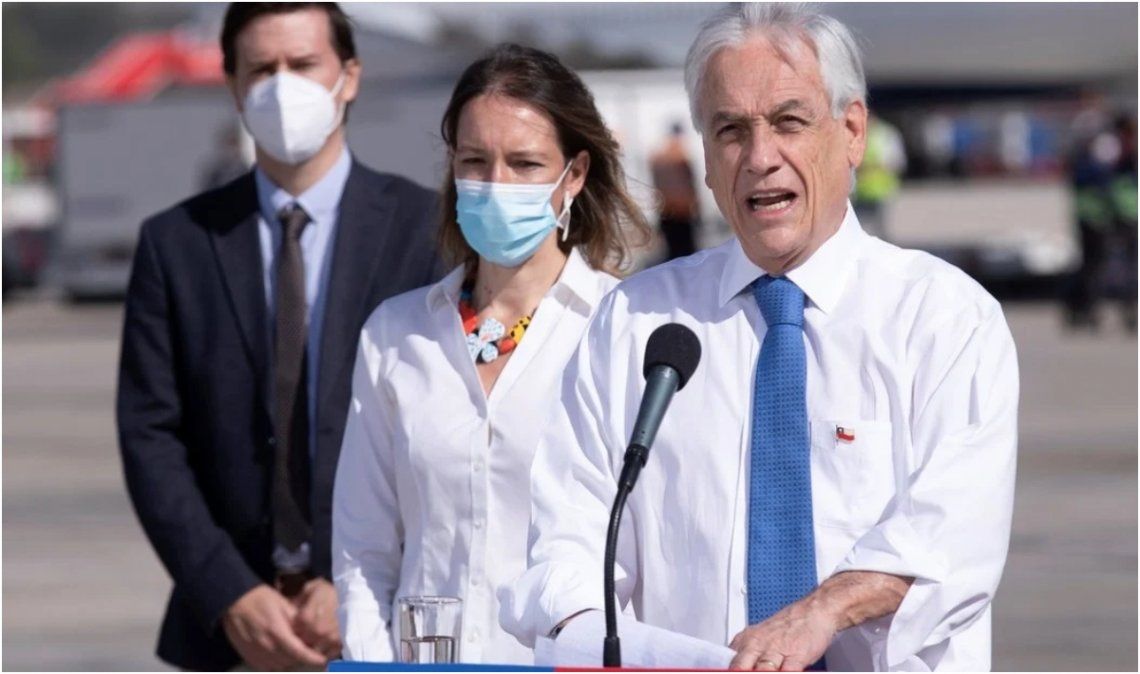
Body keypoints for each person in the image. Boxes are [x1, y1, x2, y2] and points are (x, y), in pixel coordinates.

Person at [500, 4, 1018, 671]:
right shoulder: (636, 324)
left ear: (852, 132)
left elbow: (953, 533)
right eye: (731, 131)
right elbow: (568, 541)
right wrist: (592, 630)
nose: (760, 158)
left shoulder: (945, 319)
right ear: (706, 157)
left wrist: (821, 612)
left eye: (789, 122)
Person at [116, 3, 442, 670]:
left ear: (349, 76)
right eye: (262, 69)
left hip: (384, 617)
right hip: (228, 633)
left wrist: (356, 576)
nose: (283, 85)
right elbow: (150, 434)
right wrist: (226, 590)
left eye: (303, 63)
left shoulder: (427, 230)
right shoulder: (177, 243)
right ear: (234, 86)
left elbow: (445, 427)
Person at [332, 43, 650, 665]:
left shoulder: (623, 328)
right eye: (475, 161)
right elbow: (363, 553)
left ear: (574, 175)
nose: (496, 184)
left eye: (525, 164)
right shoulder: (395, 335)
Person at [650, 121, 701, 259]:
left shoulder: (658, 158)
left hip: (666, 211)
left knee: (672, 254)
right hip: (683, 212)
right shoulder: (681, 157)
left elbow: (656, 186)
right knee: (688, 253)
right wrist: (697, 208)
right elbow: (690, 185)